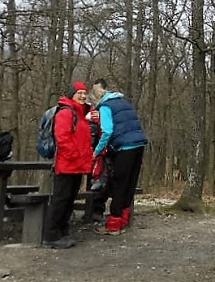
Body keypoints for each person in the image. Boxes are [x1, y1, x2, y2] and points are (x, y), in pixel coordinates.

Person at [91, 78, 148, 235]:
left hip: (124, 148)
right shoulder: (123, 102)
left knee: (119, 184)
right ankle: (123, 220)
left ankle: (114, 224)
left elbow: (107, 132)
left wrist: (96, 152)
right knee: (129, 184)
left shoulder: (105, 107)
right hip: (139, 145)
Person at [44, 82, 94, 249]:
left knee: (69, 200)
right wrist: (74, 156)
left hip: (77, 165)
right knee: (61, 199)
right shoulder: (66, 112)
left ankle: (62, 232)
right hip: (67, 164)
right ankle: (51, 235)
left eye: (85, 93)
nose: (83, 96)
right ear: (72, 94)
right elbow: (62, 138)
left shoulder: (80, 114)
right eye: (79, 93)